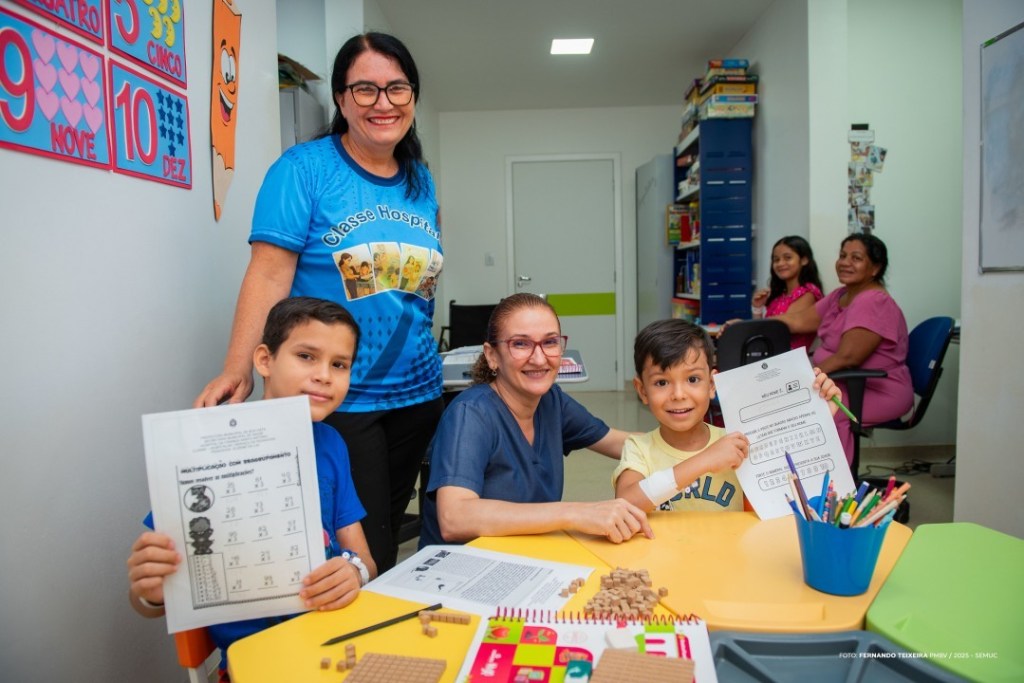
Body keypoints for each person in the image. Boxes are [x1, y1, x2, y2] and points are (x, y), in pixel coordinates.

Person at [194, 32, 444, 573]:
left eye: (397, 89)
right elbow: (267, 274)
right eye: (366, 89)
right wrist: (238, 367)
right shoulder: (303, 169)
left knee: (388, 534)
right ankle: (362, 652)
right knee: (358, 549)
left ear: (413, 98)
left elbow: (420, 281)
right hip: (341, 399)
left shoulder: (420, 181)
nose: (384, 103)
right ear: (340, 99)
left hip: (418, 392)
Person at [128, 297, 377, 678]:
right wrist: (149, 591)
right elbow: (151, 600)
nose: (325, 375)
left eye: (339, 364)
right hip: (257, 662)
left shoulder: (331, 444)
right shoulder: (201, 446)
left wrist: (355, 572)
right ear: (264, 360)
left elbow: (364, 559)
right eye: (307, 356)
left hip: (336, 639)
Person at [419, 293, 653, 547]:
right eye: (520, 344)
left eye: (550, 342)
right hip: (458, 573)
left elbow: (618, 441)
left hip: (524, 559)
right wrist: (575, 513)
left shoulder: (551, 402)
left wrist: (694, 442)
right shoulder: (471, 414)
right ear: (492, 355)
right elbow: (454, 518)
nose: (539, 358)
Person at [614, 319, 842, 512]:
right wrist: (705, 460)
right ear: (642, 390)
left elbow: (780, 501)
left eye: (692, 379)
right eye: (661, 382)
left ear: (712, 384)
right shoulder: (638, 449)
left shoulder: (738, 442)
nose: (678, 394)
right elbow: (625, 502)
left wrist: (819, 416)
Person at [776, 232, 912, 464]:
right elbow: (799, 321)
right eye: (842, 255)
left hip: (878, 390)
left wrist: (803, 380)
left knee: (825, 409)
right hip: (845, 384)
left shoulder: (873, 301)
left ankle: (836, 489)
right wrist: (749, 323)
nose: (845, 262)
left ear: (875, 268)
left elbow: (847, 357)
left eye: (856, 258)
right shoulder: (842, 295)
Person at [750, 235, 824, 350]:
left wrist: (744, 325)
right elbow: (762, 332)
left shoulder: (809, 292)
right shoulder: (779, 296)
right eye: (776, 259)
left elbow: (780, 328)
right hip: (772, 355)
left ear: (804, 260)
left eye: (787, 258)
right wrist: (757, 308)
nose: (780, 263)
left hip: (792, 361)